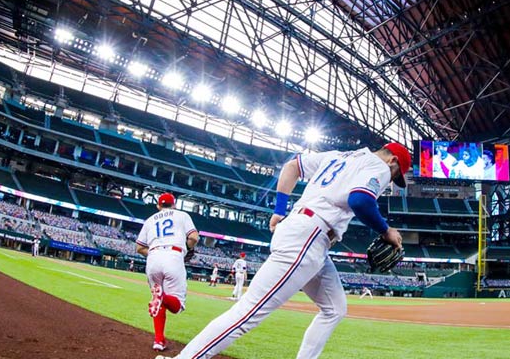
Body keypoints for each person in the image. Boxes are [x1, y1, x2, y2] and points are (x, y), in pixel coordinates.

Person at [156, 142, 410, 359]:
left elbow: (291, 167)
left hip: (305, 232)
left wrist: (279, 210)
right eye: (397, 173)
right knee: (249, 312)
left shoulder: (338, 155)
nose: (392, 179)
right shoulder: (380, 166)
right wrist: (386, 230)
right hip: (309, 236)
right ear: (394, 160)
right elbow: (360, 200)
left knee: (335, 309)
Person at [136, 192, 199, 352]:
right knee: (177, 306)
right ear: (174, 205)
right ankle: (162, 297)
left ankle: (159, 340)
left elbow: (139, 248)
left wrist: (154, 253)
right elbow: (194, 237)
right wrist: (188, 248)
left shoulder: (150, 220)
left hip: (153, 257)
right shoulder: (182, 215)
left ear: (158, 206)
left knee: (158, 301)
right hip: (173, 255)